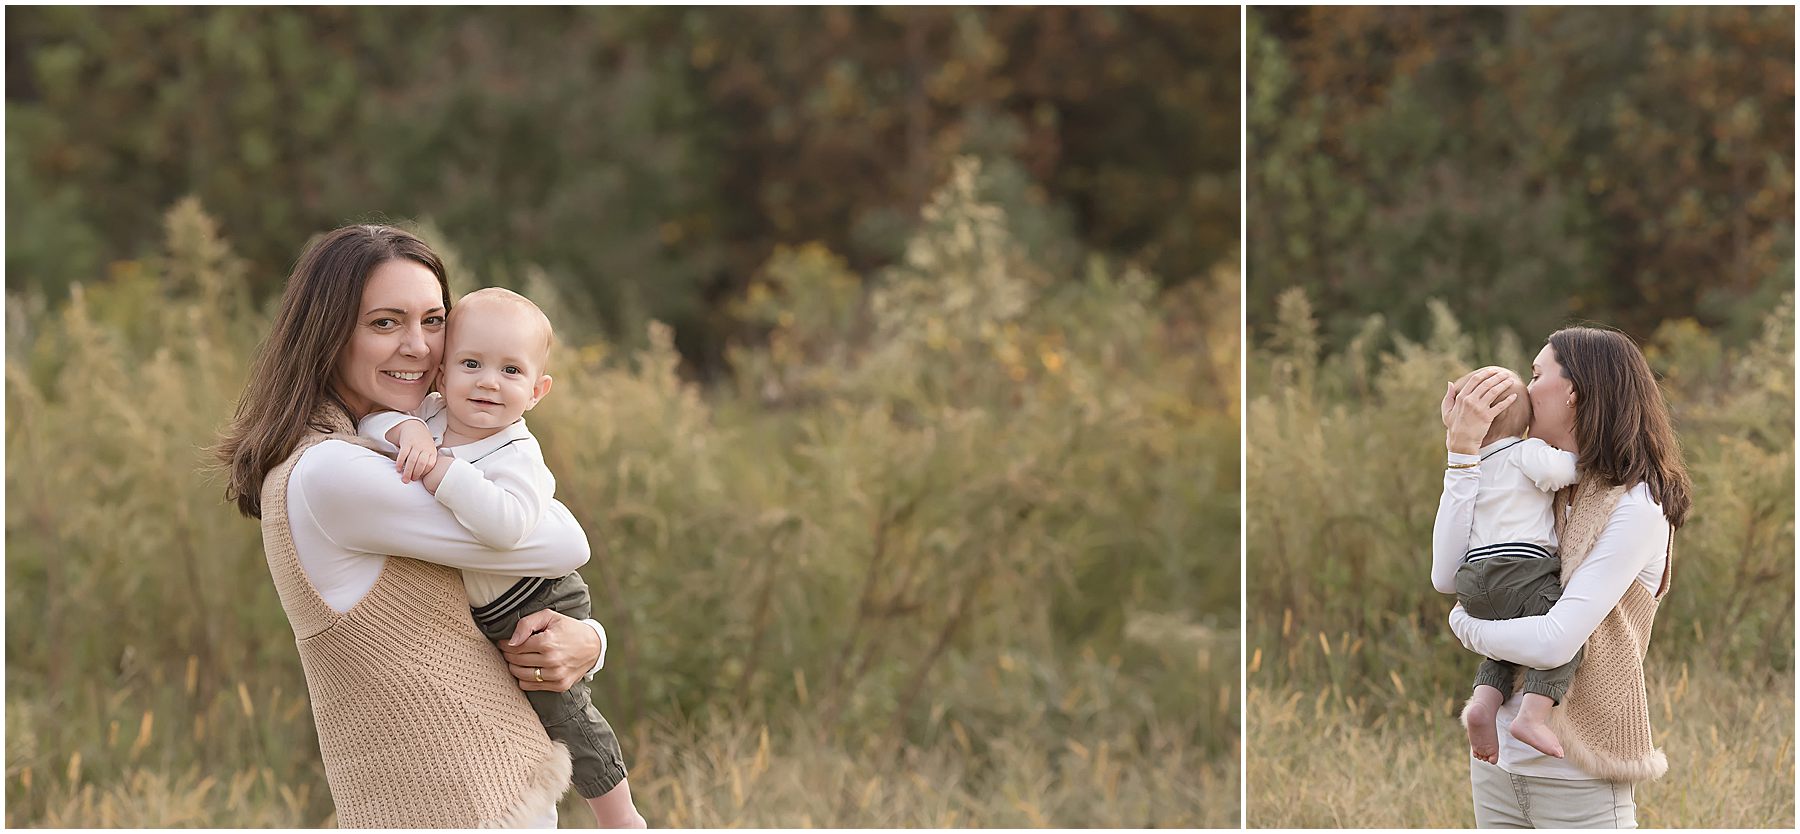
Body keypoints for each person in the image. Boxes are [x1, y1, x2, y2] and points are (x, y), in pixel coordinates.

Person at [215, 225, 633, 827]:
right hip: (451, 805)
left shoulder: (393, 442)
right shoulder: (333, 472)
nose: (419, 347)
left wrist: (587, 643)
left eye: (433, 321)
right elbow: (564, 540)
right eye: (385, 323)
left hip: (493, 793)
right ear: (328, 335)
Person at [356, 286, 640, 826]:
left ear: (537, 390)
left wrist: (441, 471)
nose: (488, 381)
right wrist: (406, 427)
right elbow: (369, 425)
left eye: (511, 371)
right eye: (471, 363)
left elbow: (505, 527)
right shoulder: (432, 417)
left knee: (562, 710)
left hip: (537, 595)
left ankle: (620, 815)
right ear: (441, 375)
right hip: (489, 609)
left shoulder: (517, 454)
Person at [1435, 327, 1690, 829]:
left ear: (1573, 392)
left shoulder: (1636, 504)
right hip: (1498, 765)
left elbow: (1554, 642)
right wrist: (1461, 454)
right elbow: (1447, 575)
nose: (1524, 391)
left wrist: (1467, 629)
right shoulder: (1537, 484)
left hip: (1579, 776)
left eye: (1535, 374)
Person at [1431, 366, 1580, 764]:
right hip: (1521, 569)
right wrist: (1580, 458)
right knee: (1564, 632)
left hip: (1474, 582)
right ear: (1525, 420)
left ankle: (1483, 703)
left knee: (1503, 650)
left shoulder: (1472, 467)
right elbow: (1561, 471)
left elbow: (1444, 573)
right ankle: (1532, 716)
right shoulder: (1525, 451)